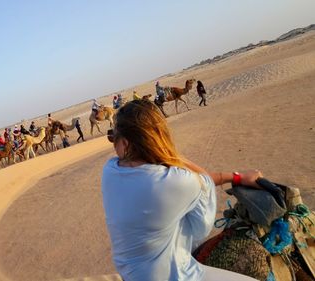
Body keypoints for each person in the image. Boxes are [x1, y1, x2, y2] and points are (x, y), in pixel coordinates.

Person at [102, 99, 261, 281]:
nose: (113, 144)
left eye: (113, 137)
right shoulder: (172, 181)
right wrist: (238, 177)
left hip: (130, 274)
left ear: (126, 143)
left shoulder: (110, 170)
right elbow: (203, 194)